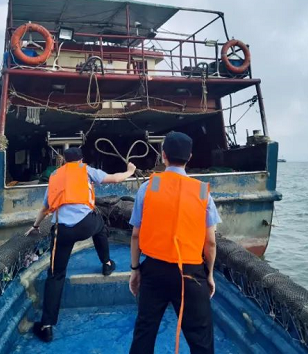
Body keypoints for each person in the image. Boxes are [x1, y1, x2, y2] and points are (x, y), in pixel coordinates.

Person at [25, 147, 136, 343]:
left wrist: (35, 226)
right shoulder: (86, 170)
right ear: (81, 160)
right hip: (86, 225)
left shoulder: (55, 176)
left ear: (64, 161)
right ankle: (106, 264)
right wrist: (130, 171)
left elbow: (44, 208)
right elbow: (114, 179)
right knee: (100, 226)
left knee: (56, 274)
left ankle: (46, 326)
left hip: (62, 231)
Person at [128, 131, 221, 354]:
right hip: (190, 273)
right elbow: (210, 242)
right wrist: (208, 274)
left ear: (163, 155)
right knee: (201, 339)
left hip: (154, 270)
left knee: (144, 331)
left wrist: (135, 269)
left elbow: (135, 235)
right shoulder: (202, 191)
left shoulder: (148, 187)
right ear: (189, 157)